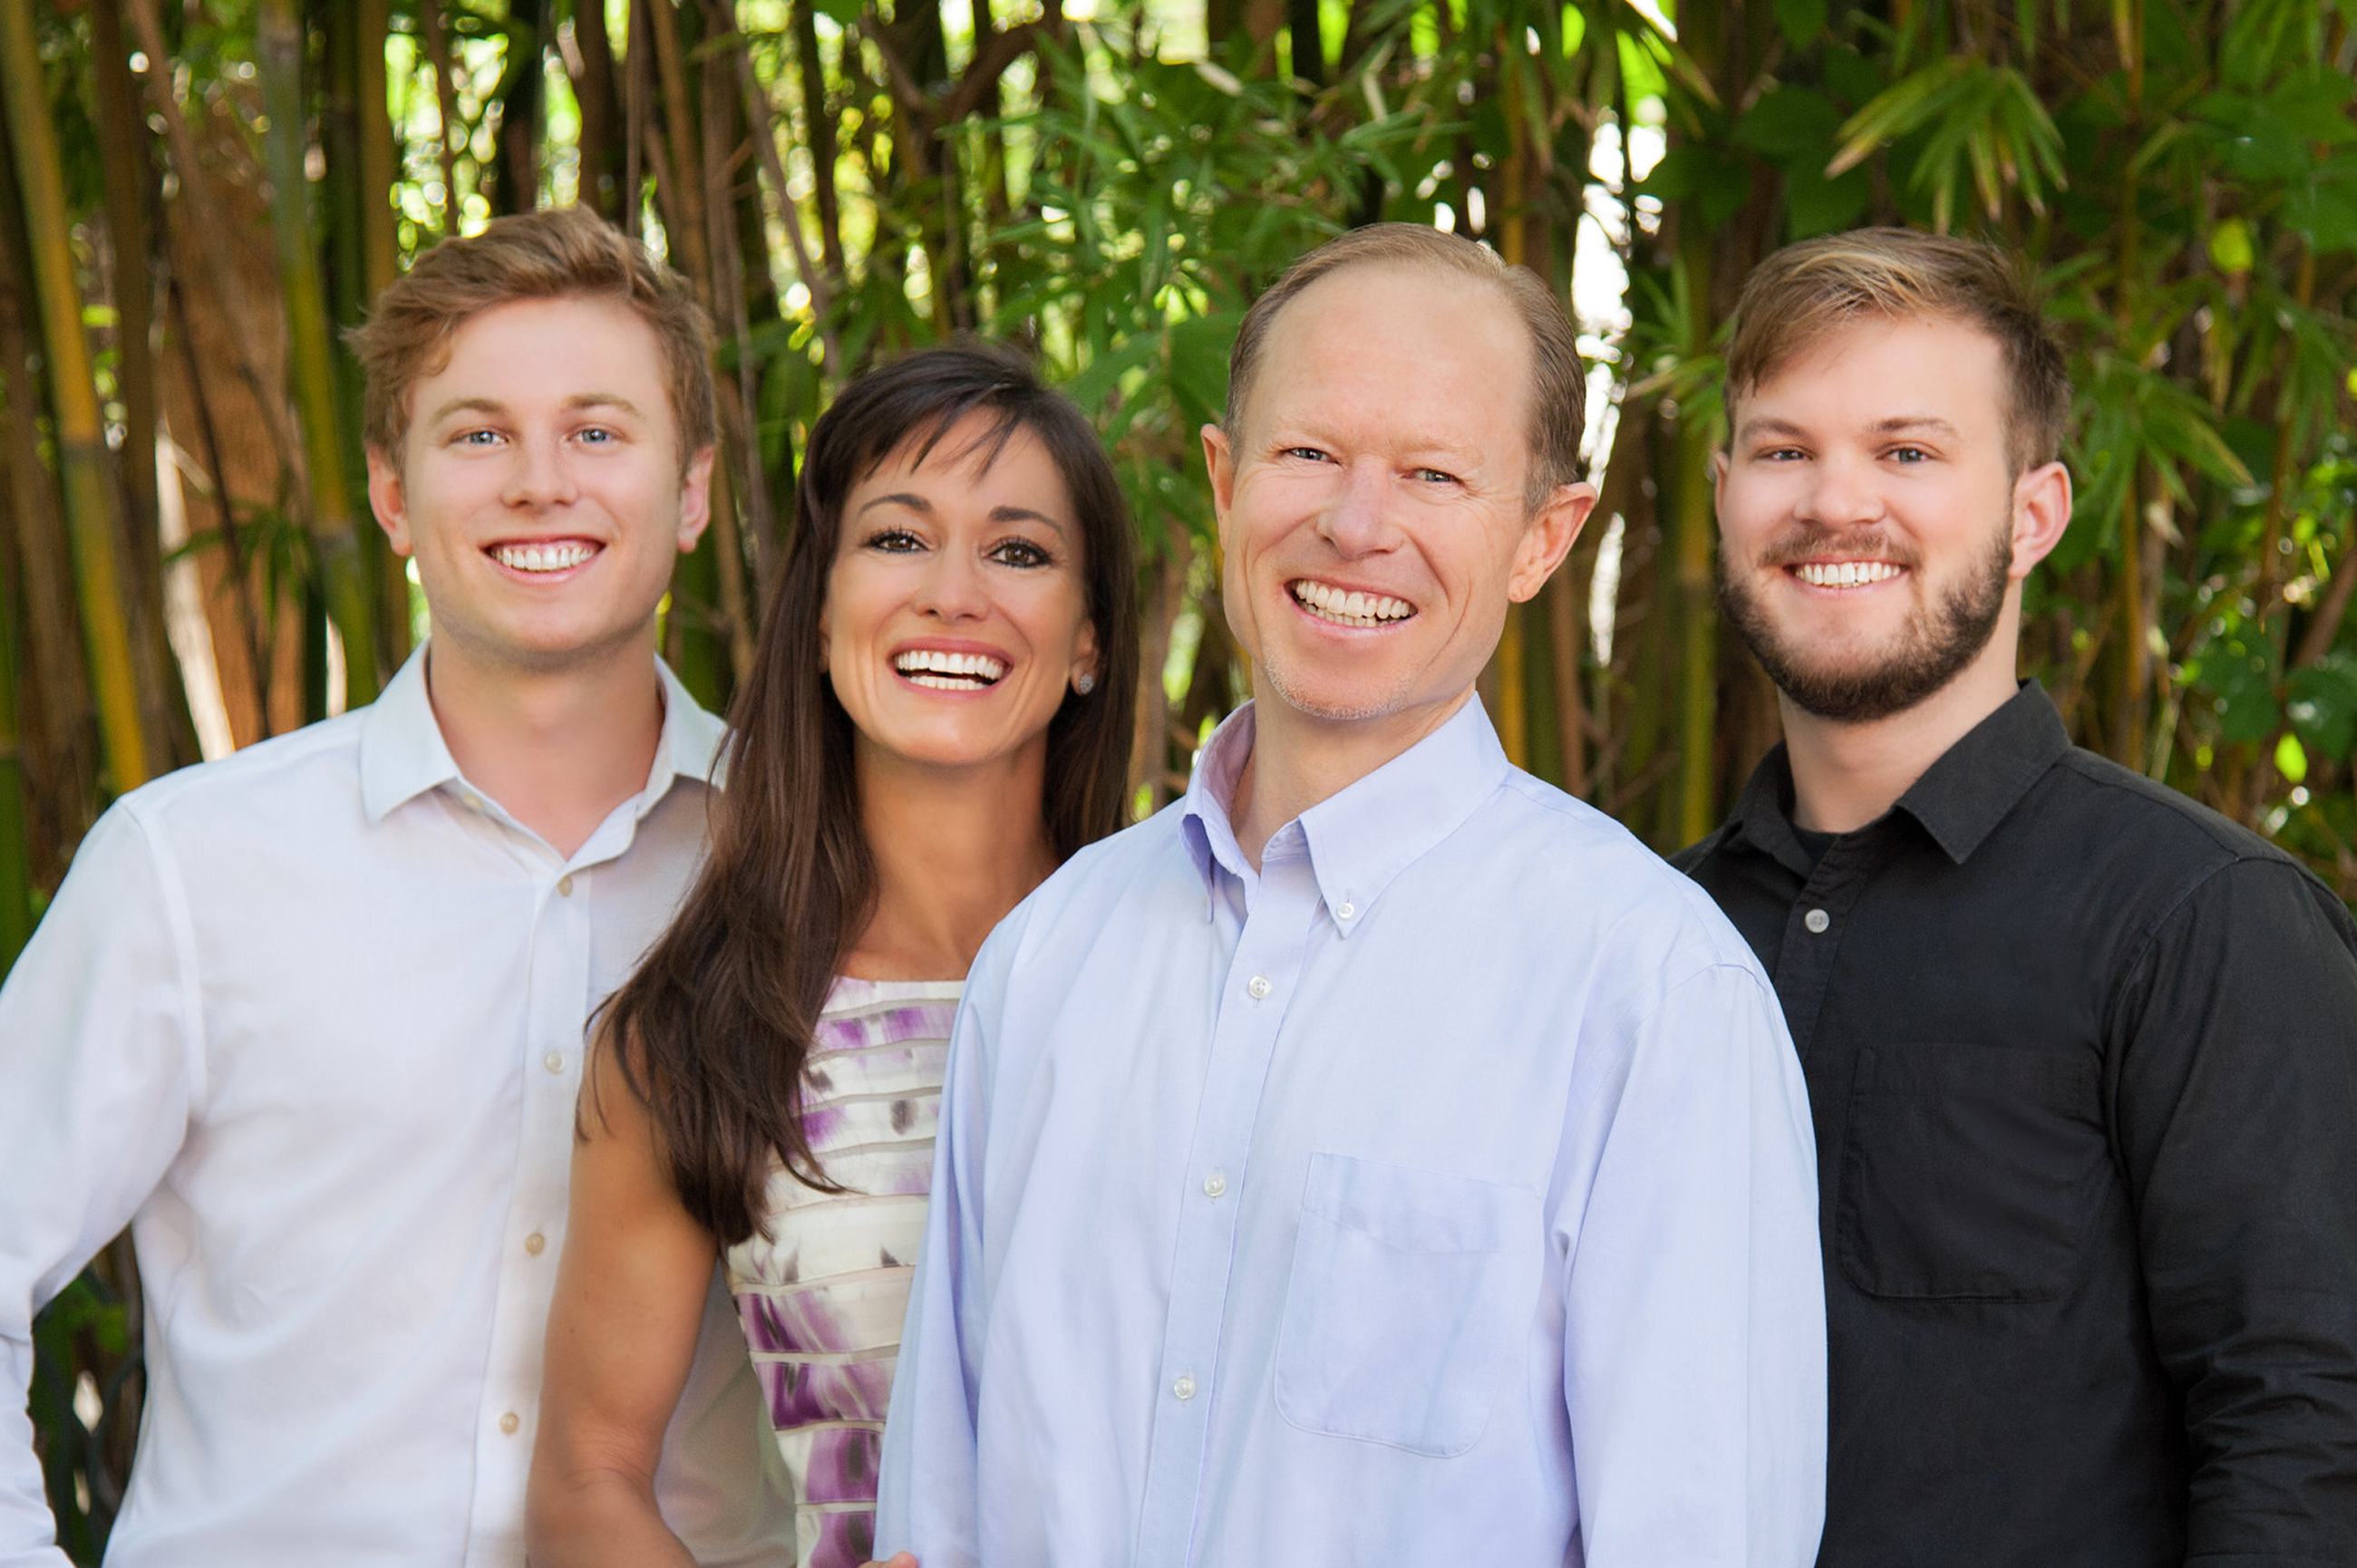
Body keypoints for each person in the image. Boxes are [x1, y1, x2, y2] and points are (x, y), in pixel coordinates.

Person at [876, 223, 1828, 1568]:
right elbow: (939, 1515)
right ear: (1224, 478)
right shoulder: (1047, 959)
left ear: (1543, 537)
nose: (1356, 524)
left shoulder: (1652, 993)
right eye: (1309, 453)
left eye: (1434, 473)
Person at [0, 207, 792, 1566]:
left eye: (598, 431)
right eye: (477, 433)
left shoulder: (802, 875)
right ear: (390, 492)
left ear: (697, 486)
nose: (541, 481)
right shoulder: (190, 868)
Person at [1675, 227, 2357, 1565]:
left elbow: (2311, 1433)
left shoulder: (2206, 924)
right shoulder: (1657, 933)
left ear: (2033, 514)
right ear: (1722, 494)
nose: (1835, 502)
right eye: (1783, 449)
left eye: (1908, 451)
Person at [525, 343, 1138, 1568]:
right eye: (899, 539)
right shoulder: (703, 1027)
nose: (953, 593)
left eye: (1019, 550)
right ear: (818, 613)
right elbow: (585, 1480)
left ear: (1088, 643)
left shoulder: (1197, 977)